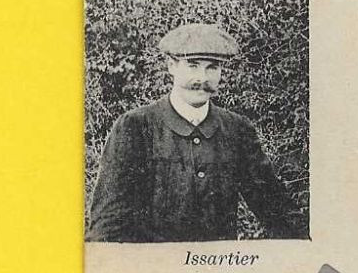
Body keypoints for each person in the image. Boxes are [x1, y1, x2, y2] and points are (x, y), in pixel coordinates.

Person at [86, 23, 299, 243]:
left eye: (212, 67)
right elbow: (107, 225)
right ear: (171, 65)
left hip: (218, 269)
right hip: (155, 270)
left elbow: (276, 209)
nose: (202, 78)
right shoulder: (135, 127)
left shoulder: (237, 130)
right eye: (193, 65)